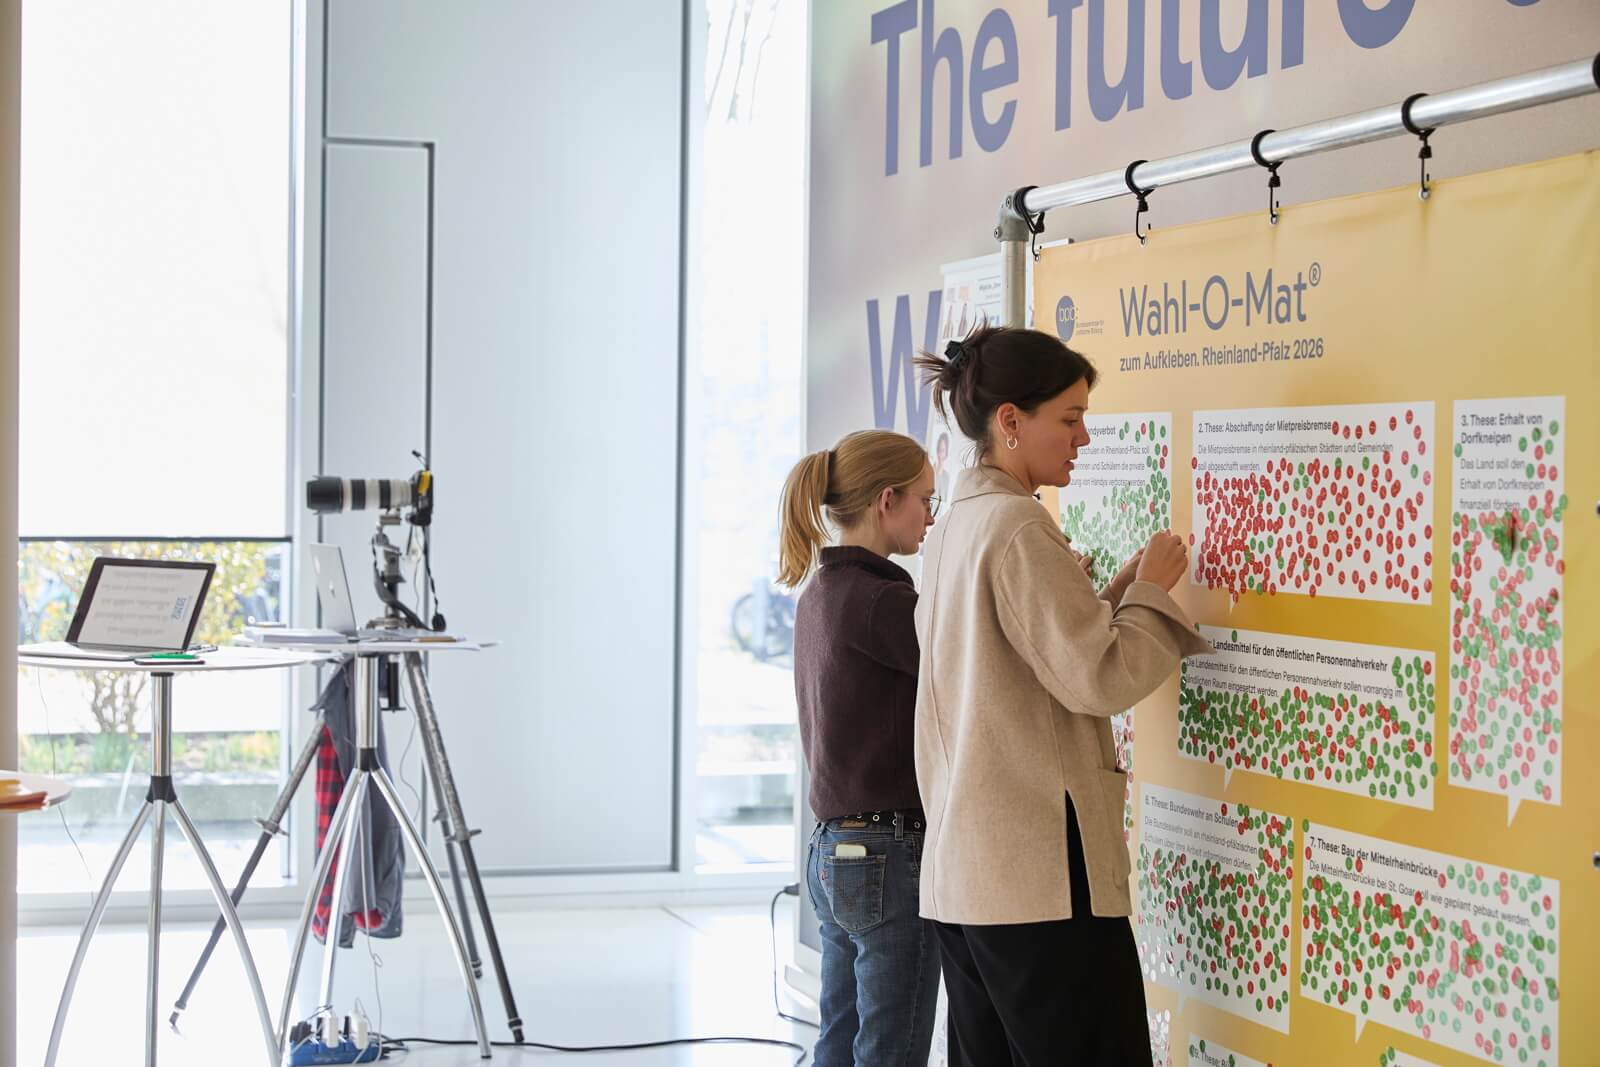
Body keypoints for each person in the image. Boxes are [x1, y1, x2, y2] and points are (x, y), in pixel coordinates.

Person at [910, 326, 1213, 1065]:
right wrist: (1151, 592)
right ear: (1010, 421)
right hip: (1039, 878)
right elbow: (1099, 676)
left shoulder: (954, 527)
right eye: (1070, 417)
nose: (1084, 437)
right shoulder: (1017, 525)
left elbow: (1030, 663)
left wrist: (1125, 590)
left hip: (967, 876)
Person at [778, 429, 941, 1067]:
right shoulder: (883, 601)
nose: (931, 516)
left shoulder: (819, 594)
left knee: (839, 1039)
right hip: (888, 853)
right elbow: (966, 668)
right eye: (925, 500)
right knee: (890, 1050)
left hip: (833, 850)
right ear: (886, 500)